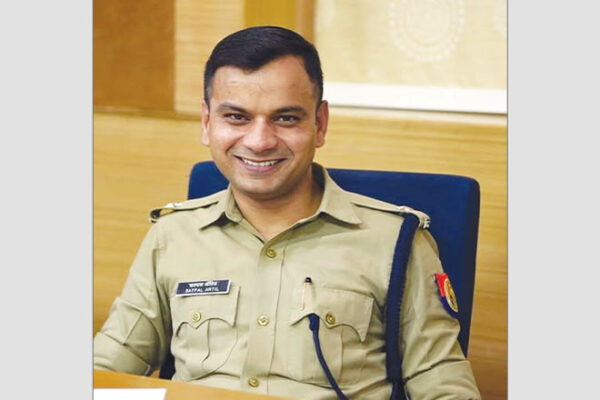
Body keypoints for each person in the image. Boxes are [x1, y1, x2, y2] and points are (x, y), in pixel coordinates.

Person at [93, 26, 481, 399]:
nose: (259, 141)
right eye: (237, 117)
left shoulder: (395, 241)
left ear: (320, 124)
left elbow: (443, 386)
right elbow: (107, 367)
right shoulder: (173, 235)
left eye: (285, 118)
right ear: (207, 122)